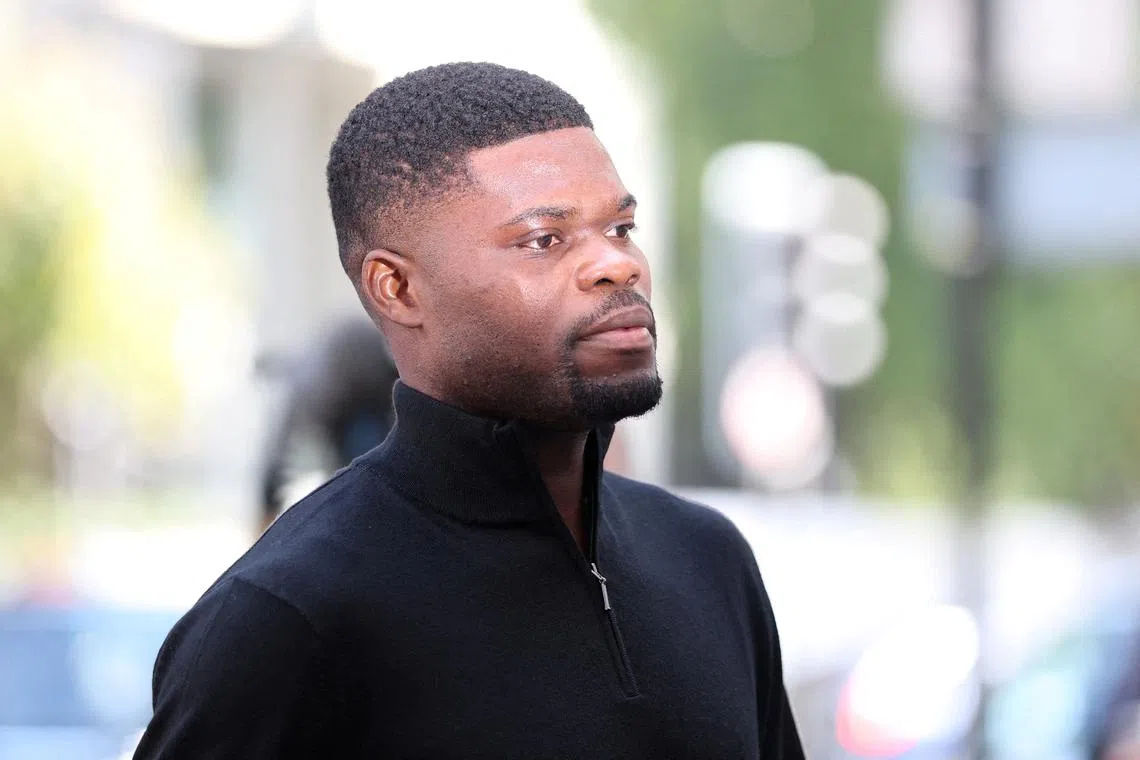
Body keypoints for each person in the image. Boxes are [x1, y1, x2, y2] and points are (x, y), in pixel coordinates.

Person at [134, 62, 804, 759]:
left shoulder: (707, 560)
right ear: (396, 288)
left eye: (622, 226)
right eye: (545, 239)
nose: (617, 265)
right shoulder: (290, 616)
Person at [257, 319, 400, 533]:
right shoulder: (308, 373)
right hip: (365, 400)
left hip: (365, 403)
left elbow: (276, 462)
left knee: (360, 477)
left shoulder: (303, 389)